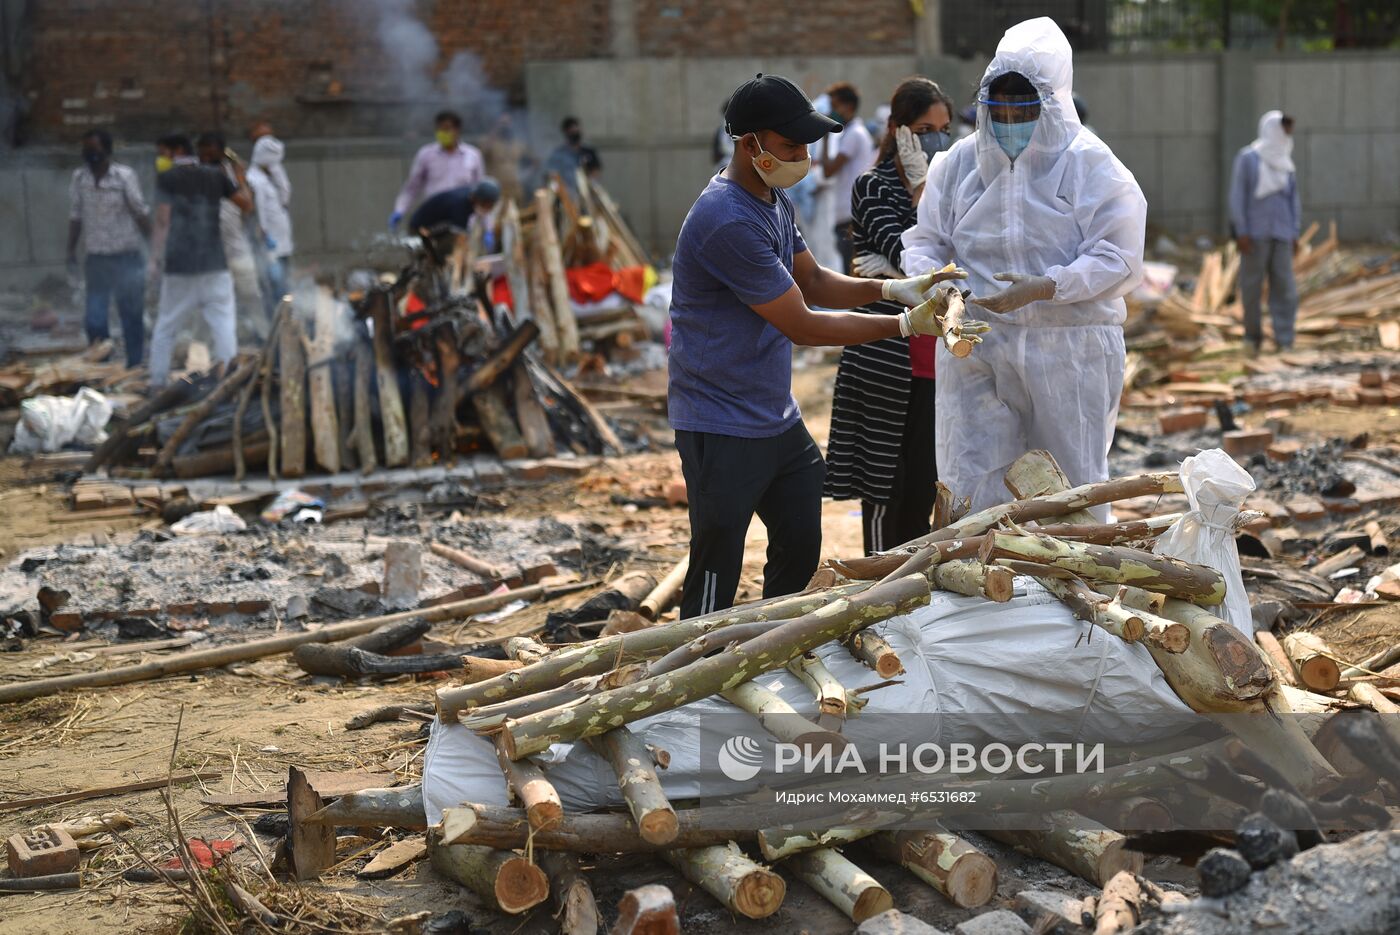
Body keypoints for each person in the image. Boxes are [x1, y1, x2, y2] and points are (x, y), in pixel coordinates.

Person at [668, 73, 974, 618]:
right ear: (749, 145)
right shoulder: (726, 219)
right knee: (718, 560)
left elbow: (812, 280)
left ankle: (769, 642)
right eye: (789, 146)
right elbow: (804, 324)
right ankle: (697, 662)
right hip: (719, 418)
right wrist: (903, 325)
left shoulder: (771, 196)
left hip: (770, 414)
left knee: (801, 538)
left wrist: (891, 288)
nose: (803, 156)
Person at [901, 18, 1147, 521]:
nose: (1011, 116)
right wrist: (938, 291)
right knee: (972, 481)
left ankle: (1072, 593)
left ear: (1052, 101)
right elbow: (925, 241)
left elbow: (1119, 257)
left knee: (1069, 488)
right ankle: (985, 592)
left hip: (1070, 351)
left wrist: (1050, 286)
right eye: (1001, 105)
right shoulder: (958, 166)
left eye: (1024, 105)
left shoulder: (1091, 167)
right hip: (975, 346)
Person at [824, 77, 955, 554]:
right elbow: (910, 257)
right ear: (899, 130)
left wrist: (933, 192)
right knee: (884, 485)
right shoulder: (873, 185)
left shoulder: (956, 188)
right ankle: (878, 590)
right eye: (924, 129)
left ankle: (915, 594)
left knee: (925, 483)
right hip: (885, 353)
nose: (936, 139)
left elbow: (955, 265)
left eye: (944, 129)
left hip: (936, 359)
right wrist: (923, 191)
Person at [147, 132, 254, 388]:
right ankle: (229, 380)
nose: (161, 159)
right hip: (215, 265)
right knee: (223, 324)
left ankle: (157, 381)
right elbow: (246, 204)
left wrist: (154, 259)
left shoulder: (167, 178)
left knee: (166, 327)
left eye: (164, 154)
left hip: (179, 268)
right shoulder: (215, 175)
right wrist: (239, 175)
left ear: (176, 152)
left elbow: (163, 220)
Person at [67, 128, 150, 367]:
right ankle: (101, 363)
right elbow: (75, 216)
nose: (88, 153)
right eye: (86, 148)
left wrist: (155, 247)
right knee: (95, 317)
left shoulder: (124, 176)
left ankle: (134, 362)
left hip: (127, 257)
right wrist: (70, 250)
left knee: (131, 313)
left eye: (93, 148)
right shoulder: (79, 178)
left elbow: (140, 213)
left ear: (107, 150)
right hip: (97, 259)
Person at [1229, 110, 1300, 354]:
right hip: (1255, 235)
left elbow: (1293, 200)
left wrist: (1294, 232)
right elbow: (1238, 196)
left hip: (1281, 234)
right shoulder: (1248, 159)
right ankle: (1252, 337)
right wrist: (1241, 231)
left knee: (1285, 288)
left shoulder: (1285, 162)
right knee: (1251, 287)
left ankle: (1284, 339)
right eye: (1284, 129)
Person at [203, 132, 265, 340]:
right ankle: (222, 342)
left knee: (251, 295)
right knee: (216, 300)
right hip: (211, 252)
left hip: (237, 247)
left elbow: (248, 206)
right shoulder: (198, 176)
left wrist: (240, 177)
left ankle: (263, 336)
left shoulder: (233, 172)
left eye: (212, 153)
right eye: (204, 153)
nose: (208, 158)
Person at [389, 111, 485, 231]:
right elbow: (411, 188)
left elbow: (481, 194)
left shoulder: (473, 155)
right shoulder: (426, 155)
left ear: (457, 130)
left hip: (464, 221)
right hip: (434, 219)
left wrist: (488, 227)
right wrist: (399, 210)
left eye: (447, 129)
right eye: (440, 129)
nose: (443, 133)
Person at [819, 82, 875, 274]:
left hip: (852, 215)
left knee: (853, 273)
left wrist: (825, 136)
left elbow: (828, 170)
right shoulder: (850, 134)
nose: (832, 112)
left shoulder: (854, 135)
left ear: (848, 107)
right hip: (848, 214)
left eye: (835, 106)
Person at [247, 134, 294, 313]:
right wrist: (264, 235)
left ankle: (285, 323)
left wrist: (277, 171)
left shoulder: (269, 178)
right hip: (269, 245)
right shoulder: (254, 180)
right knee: (276, 289)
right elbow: (259, 213)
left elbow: (285, 196)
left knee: (285, 289)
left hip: (282, 243)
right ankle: (277, 327)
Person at [406, 177, 501, 238]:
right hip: (421, 229)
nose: (489, 209)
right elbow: (459, 238)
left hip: (438, 228)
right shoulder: (459, 205)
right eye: (488, 205)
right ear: (480, 200)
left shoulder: (470, 196)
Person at [479, 113, 530, 204]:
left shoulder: (519, 144)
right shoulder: (488, 141)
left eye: (509, 123)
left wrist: (524, 176)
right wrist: (496, 129)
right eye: (503, 124)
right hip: (496, 189)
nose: (507, 127)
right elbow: (480, 154)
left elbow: (535, 161)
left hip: (515, 188)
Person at [544, 116, 601, 195]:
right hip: (567, 193)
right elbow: (552, 173)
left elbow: (596, 171)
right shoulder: (559, 153)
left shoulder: (588, 152)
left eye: (576, 130)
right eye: (572, 131)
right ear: (566, 132)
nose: (575, 133)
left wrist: (587, 182)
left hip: (587, 193)